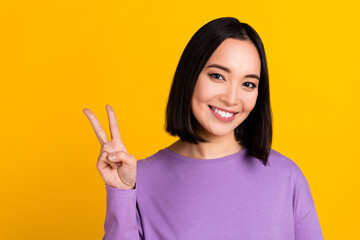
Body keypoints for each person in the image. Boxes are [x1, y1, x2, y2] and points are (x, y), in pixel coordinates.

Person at [83, 17, 323, 240]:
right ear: (190, 76)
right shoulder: (138, 179)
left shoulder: (286, 177)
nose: (231, 98)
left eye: (248, 84)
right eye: (218, 76)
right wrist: (121, 195)